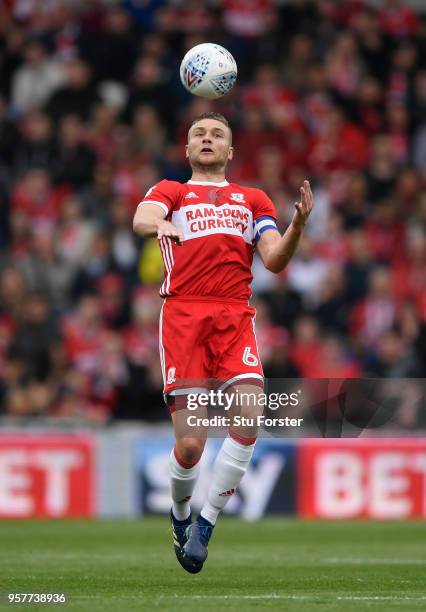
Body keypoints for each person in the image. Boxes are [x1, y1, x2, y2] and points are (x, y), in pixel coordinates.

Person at [132, 112, 313, 573]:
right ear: (187, 149)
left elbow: (272, 259)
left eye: (217, 135)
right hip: (184, 315)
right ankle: (179, 517)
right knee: (192, 446)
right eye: (199, 134)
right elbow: (142, 217)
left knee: (250, 413)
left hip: (234, 314)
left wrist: (297, 226)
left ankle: (206, 523)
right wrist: (161, 226)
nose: (207, 139)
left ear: (231, 151)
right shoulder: (172, 191)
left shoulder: (253, 199)